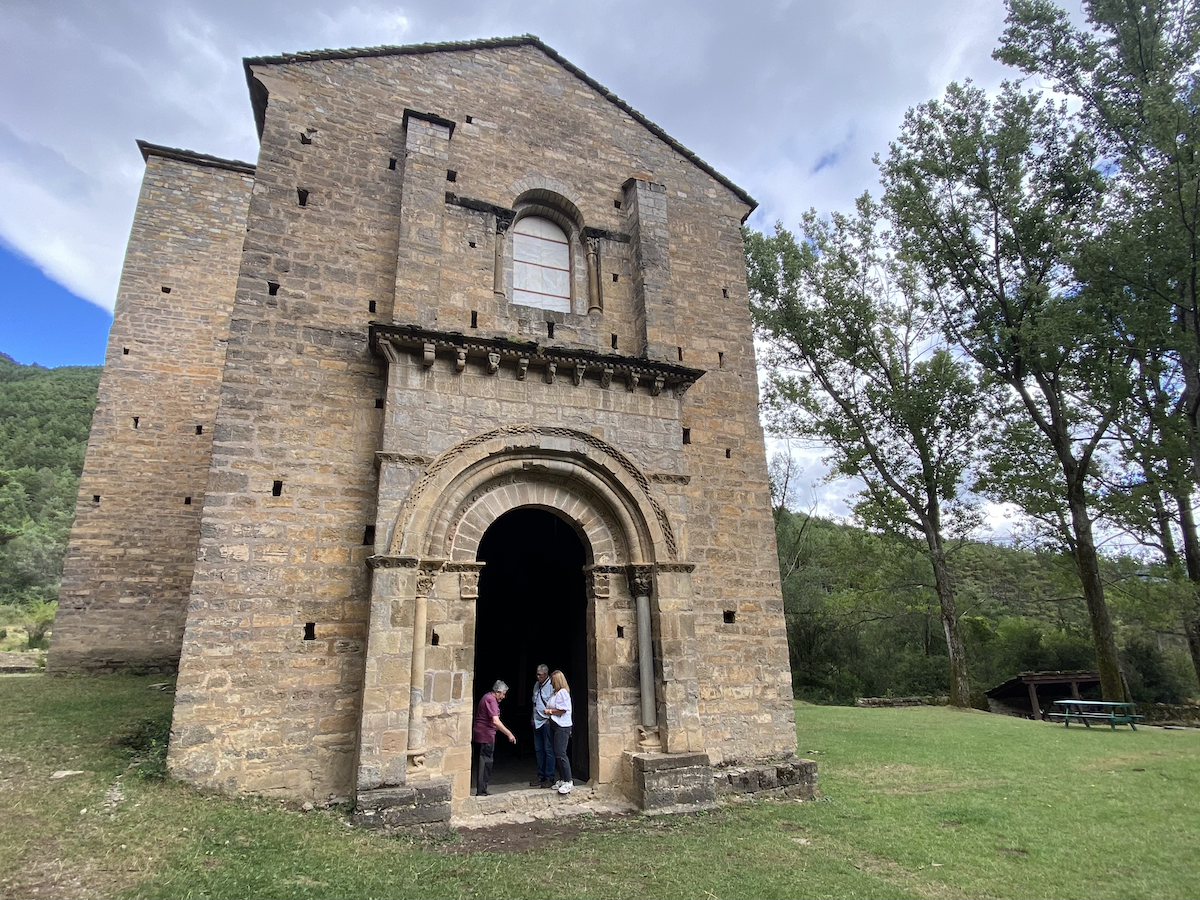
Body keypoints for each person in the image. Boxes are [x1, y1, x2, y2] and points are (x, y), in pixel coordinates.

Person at [471, 680, 516, 797]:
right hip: (486, 735)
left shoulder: (488, 698)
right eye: (503, 693)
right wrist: (509, 733)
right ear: (498, 692)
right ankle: (481, 790)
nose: (504, 696)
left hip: (485, 733)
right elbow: (495, 721)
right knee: (485, 762)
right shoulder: (491, 700)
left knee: (486, 761)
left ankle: (483, 789)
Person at [543, 669, 574, 794]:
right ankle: (562, 778)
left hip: (562, 726)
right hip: (554, 725)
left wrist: (549, 712)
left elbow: (563, 709)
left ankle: (568, 780)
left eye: (552, 681)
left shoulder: (563, 693)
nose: (550, 683)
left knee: (561, 753)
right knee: (556, 753)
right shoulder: (555, 693)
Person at [530, 663, 555, 788]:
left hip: (546, 722)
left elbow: (555, 703)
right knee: (539, 749)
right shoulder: (537, 685)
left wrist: (550, 718)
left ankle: (550, 777)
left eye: (540, 675)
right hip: (537, 721)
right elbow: (535, 702)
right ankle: (541, 776)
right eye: (537, 674)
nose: (537, 677)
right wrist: (532, 717)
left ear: (546, 675)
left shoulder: (551, 686)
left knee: (548, 750)